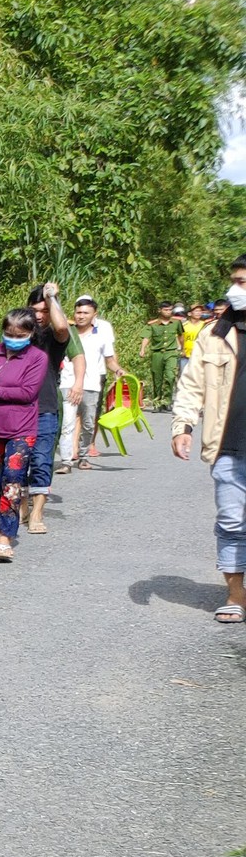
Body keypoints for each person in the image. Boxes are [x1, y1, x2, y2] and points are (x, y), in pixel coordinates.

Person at [170, 254, 246, 622]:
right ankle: (235, 595)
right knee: (232, 521)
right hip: (229, 446)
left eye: (243, 282)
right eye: (234, 280)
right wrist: (183, 425)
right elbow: (191, 385)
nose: (235, 288)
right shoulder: (212, 335)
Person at [0, 309, 52, 562]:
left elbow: (28, 393)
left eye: (20, 334)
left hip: (21, 430)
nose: (13, 338)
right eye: (9, 334)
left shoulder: (37, 357)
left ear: (30, 333)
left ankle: (6, 538)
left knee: (12, 483)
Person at [23, 282, 71, 532]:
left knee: (42, 461)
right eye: (35, 310)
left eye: (44, 311)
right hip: (17, 410)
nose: (40, 316)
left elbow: (62, 326)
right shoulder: (15, 337)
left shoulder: (52, 339)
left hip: (45, 409)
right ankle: (21, 505)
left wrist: (52, 298)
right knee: (18, 462)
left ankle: (37, 514)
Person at [63, 296, 118, 469]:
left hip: (92, 385)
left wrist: (118, 370)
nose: (81, 316)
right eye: (78, 312)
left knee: (88, 424)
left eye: (86, 313)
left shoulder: (102, 335)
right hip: (68, 383)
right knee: (67, 423)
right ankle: (66, 461)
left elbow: (110, 360)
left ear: (95, 314)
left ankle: (84, 456)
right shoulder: (66, 333)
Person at [139, 300, 179, 411]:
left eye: (170, 310)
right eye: (165, 310)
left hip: (171, 353)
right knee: (157, 379)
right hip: (157, 354)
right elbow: (147, 337)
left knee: (170, 377)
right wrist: (142, 349)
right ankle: (157, 402)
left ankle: (167, 401)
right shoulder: (153, 324)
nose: (168, 312)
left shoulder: (176, 323)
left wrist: (182, 348)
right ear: (159, 310)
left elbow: (181, 335)